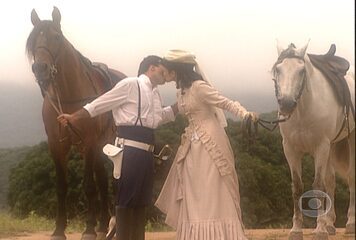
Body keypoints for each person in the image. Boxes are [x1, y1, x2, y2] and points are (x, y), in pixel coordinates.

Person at [57, 55, 178, 240]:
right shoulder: (131, 84)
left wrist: (181, 105)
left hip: (147, 152)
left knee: (141, 201)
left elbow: (158, 117)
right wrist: (74, 117)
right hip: (130, 149)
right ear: (151, 68)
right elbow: (101, 103)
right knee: (127, 200)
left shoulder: (154, 92)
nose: (165, 74)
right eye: (162, 69)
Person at [155, 50, 257, 240]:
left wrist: (244, 113)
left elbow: (224, 102)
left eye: (167, 70)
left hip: (211, 144)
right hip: (192, 146)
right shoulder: (181, 91)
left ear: (176, 70)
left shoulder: (199, 87)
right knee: (194, 191)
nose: (165, 74)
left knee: (212, 189)